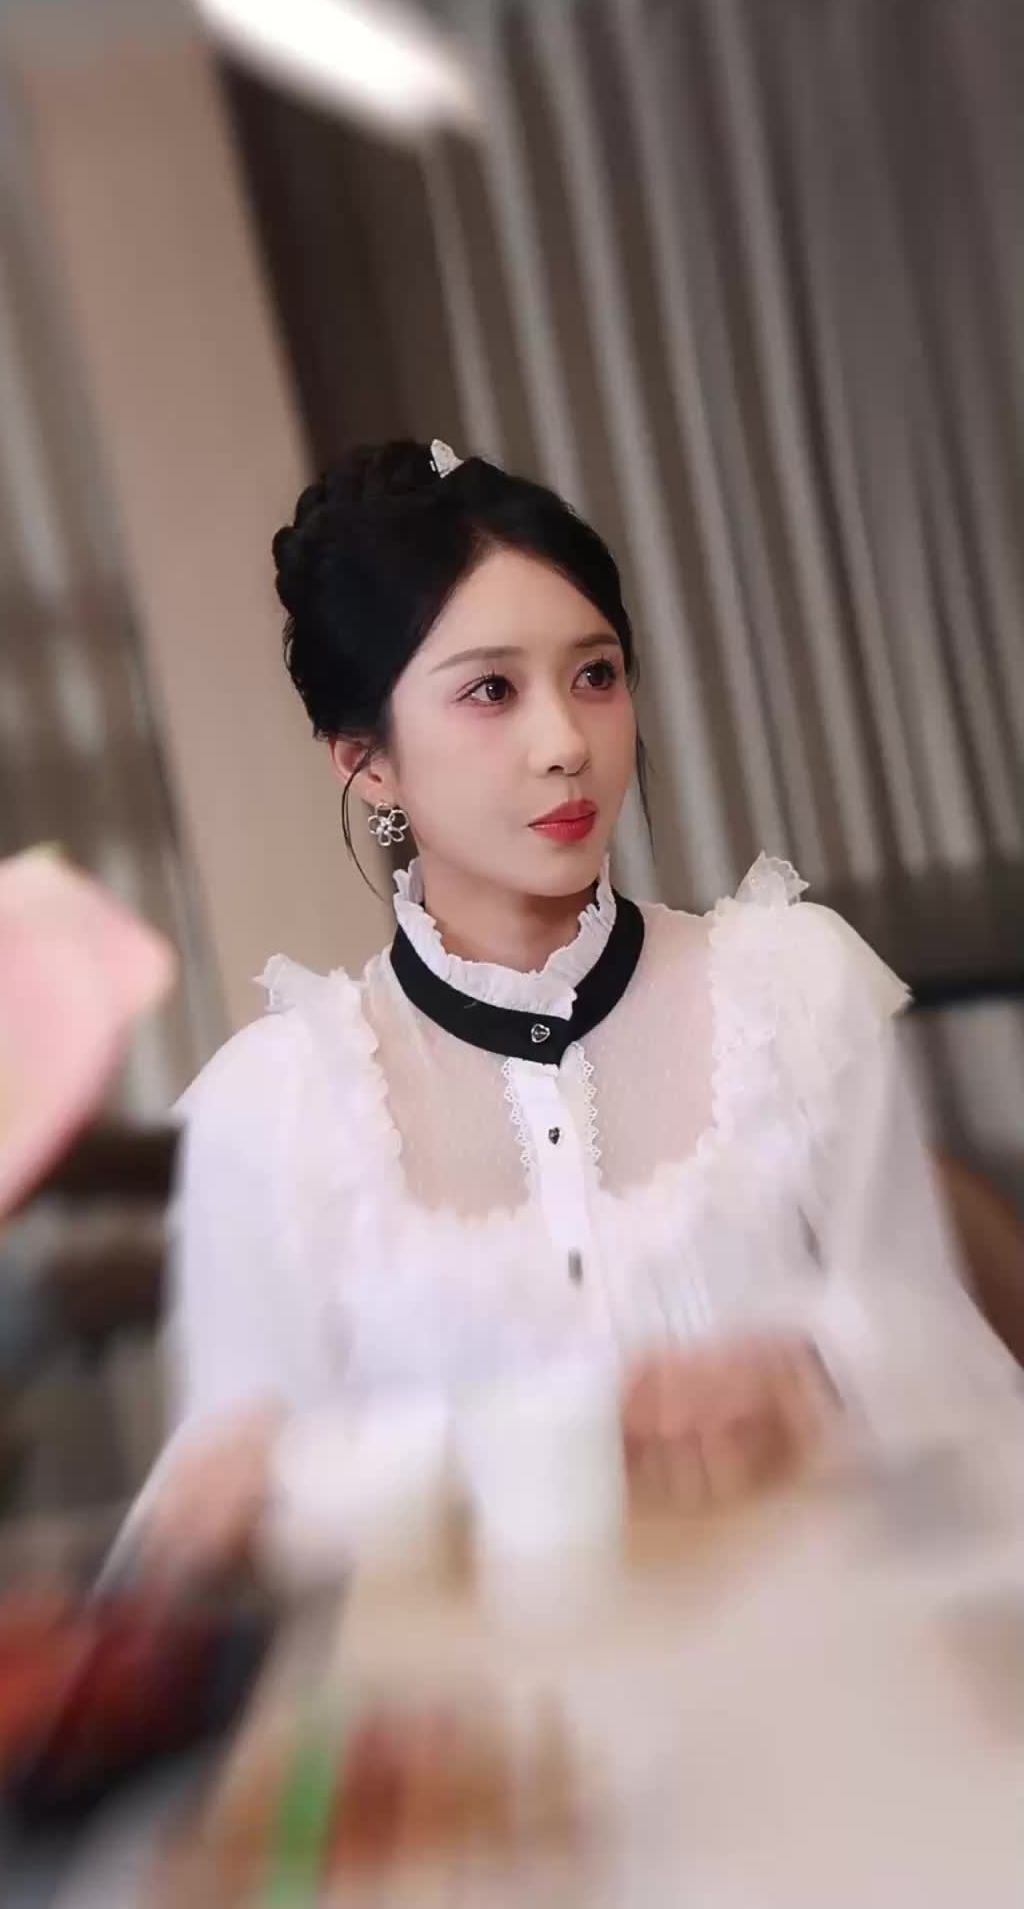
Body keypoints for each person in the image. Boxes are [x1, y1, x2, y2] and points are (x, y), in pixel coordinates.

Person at [139, 439, 1017, 1578]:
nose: (566, 745)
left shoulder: (793, 991)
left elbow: (943, 1350)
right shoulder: (272, 1114)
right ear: (367, 761)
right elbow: (227, 1516)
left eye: (595, 676)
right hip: (479, 1691)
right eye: (491, 691)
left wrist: (803, 1364)